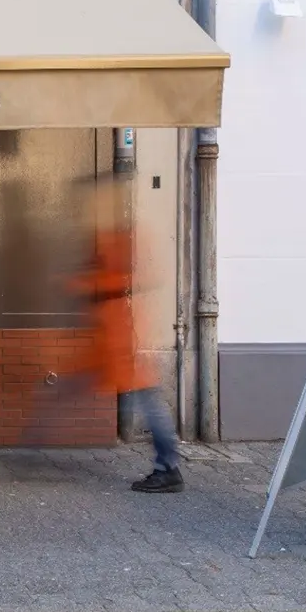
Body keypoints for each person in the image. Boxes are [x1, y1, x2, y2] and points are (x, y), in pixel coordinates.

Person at [79, 176, 183, 493]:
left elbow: (135, 278)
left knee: (148, 400)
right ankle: (33, 441)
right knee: (138, 396)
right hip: (114, 333)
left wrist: (90, 284)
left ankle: (168, 468)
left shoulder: (126, 235)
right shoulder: (110, 234)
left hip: (126, 333)